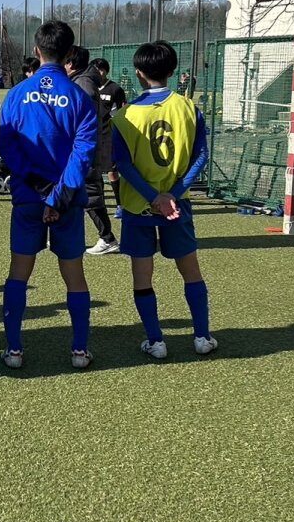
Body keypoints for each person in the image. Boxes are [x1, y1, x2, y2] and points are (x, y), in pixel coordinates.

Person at [0, 21, 97, 370]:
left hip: (28, 198)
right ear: (70, 54)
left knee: (19, 272)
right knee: (74, 274)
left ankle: (14, 350)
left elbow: (7, 147)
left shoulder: (17, 94)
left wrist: (40, 189)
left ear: (36, 51)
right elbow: (83, 154)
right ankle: (79, 350)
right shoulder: (79, 98)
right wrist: (57, 196)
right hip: (67, 201)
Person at [113, 41, 216, 359]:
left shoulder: (125, 115)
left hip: (138, 206)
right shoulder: (188, 108)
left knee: (142, 275)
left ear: (138, 73)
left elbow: (123, 165)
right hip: (177, 204)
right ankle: (202, 336)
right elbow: (201, 155)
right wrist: (173, 193)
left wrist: (153, 197)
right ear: (172, 71)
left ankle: (156, 341)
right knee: (191, 270)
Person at [66, 47, 120, 255]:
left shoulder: (83, 84)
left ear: (71, 63)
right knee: (73, 192)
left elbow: (83, 119)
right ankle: (70, 234)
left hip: (85, 150)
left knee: (90, 194)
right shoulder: (83, 81)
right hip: (85, 148)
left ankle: (108, 238)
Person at [90, 57, 129, 219]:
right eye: (95, 69)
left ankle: (120, 204)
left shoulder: (115, 89)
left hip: (109, 134)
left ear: (106, 70)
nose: (98, 72)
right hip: (92, 134)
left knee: (112, 171)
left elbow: (123, 110)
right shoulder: (89, 87)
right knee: (94, 171)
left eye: (101, 69)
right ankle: (98, 204)